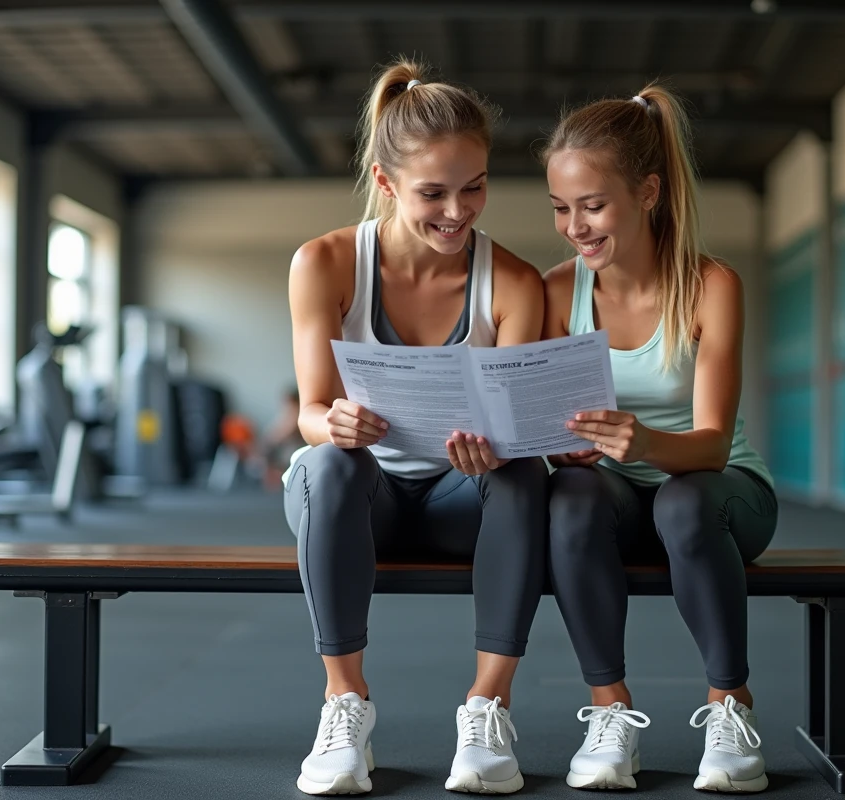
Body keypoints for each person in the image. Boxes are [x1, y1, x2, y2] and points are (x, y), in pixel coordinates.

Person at [282, 58, 549, 796]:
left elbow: (518, 426)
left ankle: (487, 707)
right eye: (434, 193)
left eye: (476, 188)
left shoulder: (516, 283)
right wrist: (332, 422)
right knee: (326, 466)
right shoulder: (326, 263)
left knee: (524, 473)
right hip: (357, 500)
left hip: (461, 503)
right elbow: (308, 413)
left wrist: (497, 448)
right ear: (388, 181)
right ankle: (345, 704)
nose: (458, 213)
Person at [540, 84, 779, 793]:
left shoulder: (711, 285)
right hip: (614, 493)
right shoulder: (557, 291)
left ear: (647, 192)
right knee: (570, 497)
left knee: (683, 503)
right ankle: (609, 713)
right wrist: (562, 449)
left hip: (719, 494)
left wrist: (640, 441)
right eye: (561, 208)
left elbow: (710, 443)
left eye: (593, 205)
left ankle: (730, 707)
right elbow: (541, 422)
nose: (575, 227)